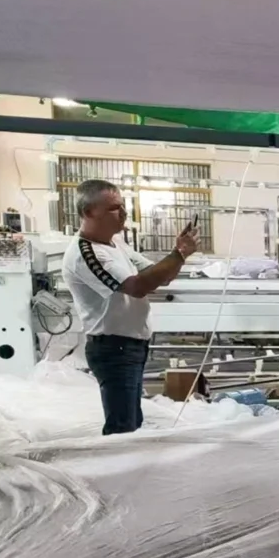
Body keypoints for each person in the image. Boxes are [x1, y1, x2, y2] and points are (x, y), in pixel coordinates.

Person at [62, 179, 199, 435]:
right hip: (113, 348)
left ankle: (127, 470)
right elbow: (137, 287)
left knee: (131, 421)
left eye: (123, 206)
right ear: (89, 212)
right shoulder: (86, 253)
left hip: (131, 345)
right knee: (122, 427)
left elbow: (157, 274)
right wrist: (178, 255)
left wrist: (178, 255)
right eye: (114, 208)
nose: (123, 213)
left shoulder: (116, 244)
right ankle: (115, 472)